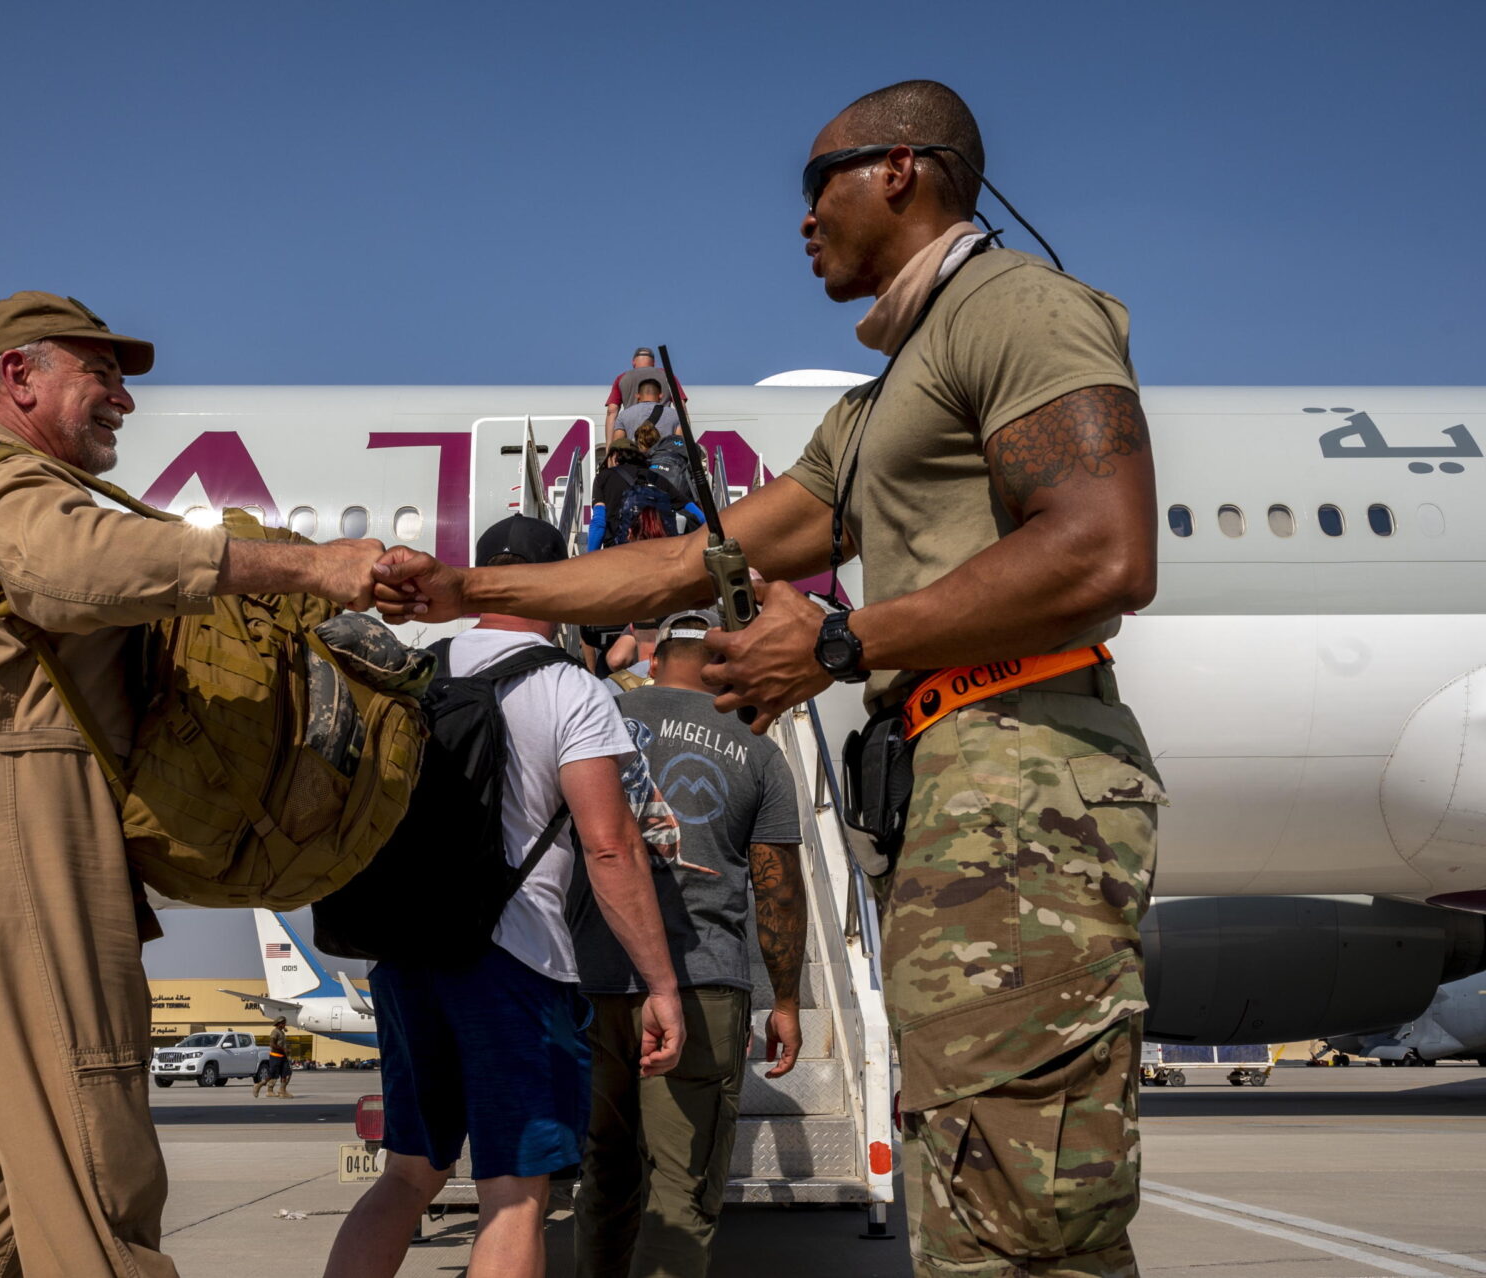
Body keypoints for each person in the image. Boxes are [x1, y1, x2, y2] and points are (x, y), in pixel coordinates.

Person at [374, 79, 1163, 1278]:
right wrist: (474, 593)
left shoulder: (1019, 309)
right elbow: (693, 559)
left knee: (1030, 1205)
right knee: (975, 1183)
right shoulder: (882, 399)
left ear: (901, 168)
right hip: (955, 784)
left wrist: (843, 643)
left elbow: (1106, 548)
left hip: (1023, 775)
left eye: (816, 185)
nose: (801, 220)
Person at [0, 291, 384, 1278]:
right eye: (99, 374)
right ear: (19, 377)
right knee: (96, 1174)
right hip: (13, 824)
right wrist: (299, 568)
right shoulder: (1, 478)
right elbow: (72, 566)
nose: (122, 401)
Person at [321, 516, 686, 1278]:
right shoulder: (570, 689)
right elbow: (611, 845)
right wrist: (659, 982)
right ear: (556, 583)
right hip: (512, 963)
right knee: (514, 1197)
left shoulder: (413, 670)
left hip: (406, 956)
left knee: (407, 1178)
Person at [570, 610, 808, 1278]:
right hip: (702, 987)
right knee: (681, 1193)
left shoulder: (594, 723)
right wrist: (784, 999)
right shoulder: (757, 747)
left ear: (657, 654)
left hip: (594, 981)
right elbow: (779, 889)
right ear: (723, 658)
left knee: (607, 1177)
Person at [588, 437, 702, 553]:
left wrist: (590, 559)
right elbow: (692, 509)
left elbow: (599, 522)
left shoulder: (604, 477)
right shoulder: (655, 476)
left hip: (618, 552)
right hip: (656, 549)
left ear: (614, 456)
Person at [604, 348, 686, 438]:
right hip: (663, 438)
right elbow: (681, 407)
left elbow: (612, 411)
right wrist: (687, 443)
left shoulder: (622, 378)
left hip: (635, 437)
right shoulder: (668, 376)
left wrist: (609, 447)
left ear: (633, 362)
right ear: (653, 363)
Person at [255, 1016, 295, 1098]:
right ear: (279, 1023)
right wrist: (283, 1049)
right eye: (284, 1023)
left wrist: (285, 1050)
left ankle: (282, 1091)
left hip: (283, 1056)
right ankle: (259, 1085)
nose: (285, 1024)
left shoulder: (281, 1032)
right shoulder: (275, 1032)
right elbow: (272, 1044)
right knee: (273, 1075)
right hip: (275, 1056)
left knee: (287, 1073)